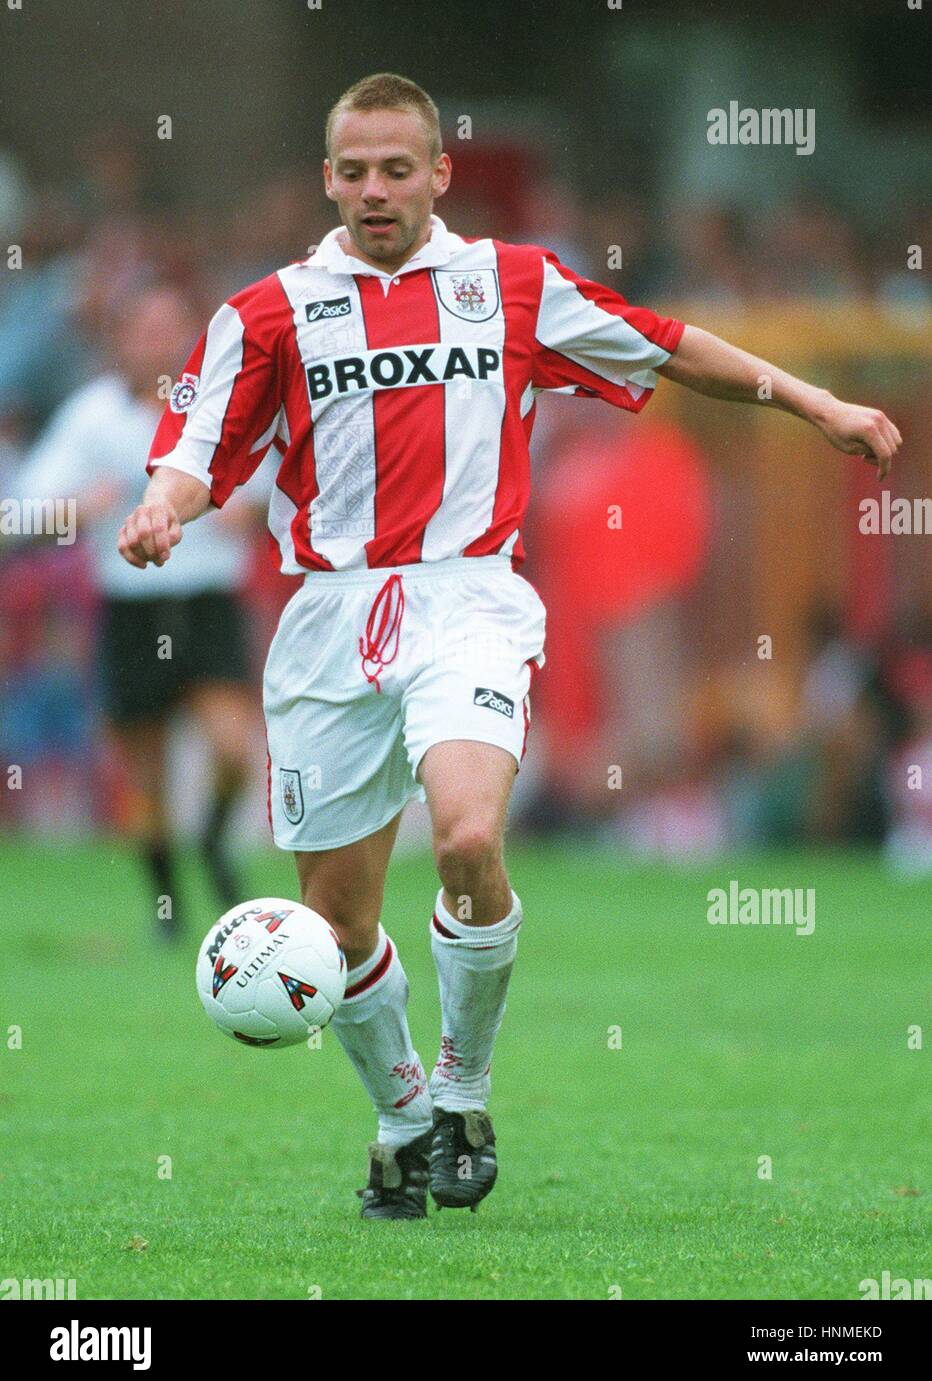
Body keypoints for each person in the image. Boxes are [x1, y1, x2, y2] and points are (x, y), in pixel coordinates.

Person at [117, 73, 901, 1219]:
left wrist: (814, 401)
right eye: (353, 170)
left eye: (398, 168)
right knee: (335, 924)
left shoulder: (509, 285)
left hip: (467, 599)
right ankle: (398, 1120)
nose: (375, 189)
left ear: (440, 172)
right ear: (326, 177)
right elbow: (193, 447)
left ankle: (463, 1088)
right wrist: (161, 509)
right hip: (329, 619)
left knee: (471, 833)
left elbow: (666, 343)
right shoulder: (265, 312)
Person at [19, 283, 265, 938]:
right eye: (144, 329)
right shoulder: (92, 418)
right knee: (146, 776)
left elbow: (284, 487)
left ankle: (213, 841)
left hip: (209, 601)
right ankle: (168, 910)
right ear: (121, 340)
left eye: (170, 328)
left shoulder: (220, 408)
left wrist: (255, 509)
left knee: (234, 747)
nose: (158, 342)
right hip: (131, 605)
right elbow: (26, 511)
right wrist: (79, 509)